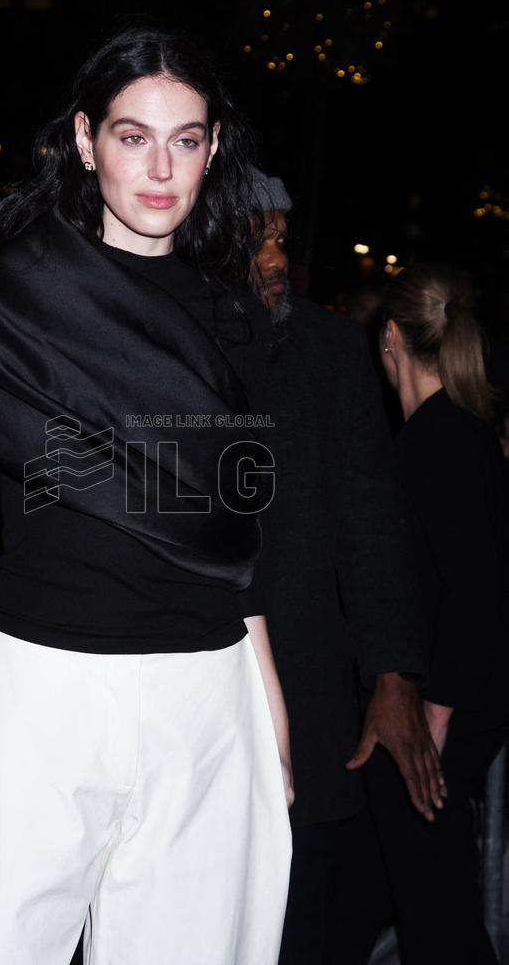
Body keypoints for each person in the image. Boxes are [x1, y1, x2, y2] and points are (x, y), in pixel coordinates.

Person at [0, 25, 293, 965]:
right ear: (83, 139)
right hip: (43, 688)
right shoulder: (13, 298)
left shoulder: (234, 317)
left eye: (185, 140)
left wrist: (264, 700)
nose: (160, 169)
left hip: (205, 694)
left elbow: (233, 527)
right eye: (131, 136)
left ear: (213, 148)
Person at [221, 172, 444, 965]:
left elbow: (373, 522)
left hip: (307, 676)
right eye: (258, 238)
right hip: (186, 674)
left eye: (282, 236)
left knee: (300, 912)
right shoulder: (168, 340)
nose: (277, 257)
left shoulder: (329, 350)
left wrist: (393, 672)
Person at [333, 262, 509, 965]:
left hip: (435, 712)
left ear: (393, 340)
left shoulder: (436, 443)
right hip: (441, 704)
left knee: (436, 910)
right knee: (372, 885)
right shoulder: (458, 435)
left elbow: (476, 587)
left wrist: (434, 713)